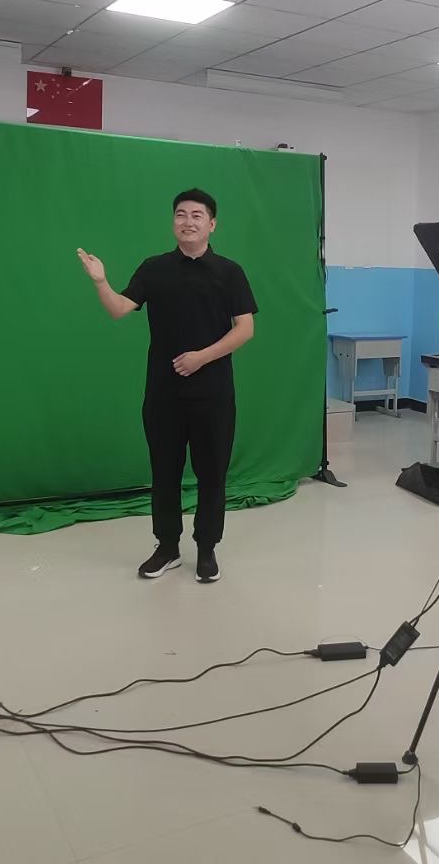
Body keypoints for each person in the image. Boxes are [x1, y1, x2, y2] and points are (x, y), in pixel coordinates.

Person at [77, 188, 255, 583]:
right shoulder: (154, 268)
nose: (188, 221)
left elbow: (245, 329)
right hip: (163, 393)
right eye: (180, 214)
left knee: (212, 473)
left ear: (212, 224)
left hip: (213, 393)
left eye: (197, 215)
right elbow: (119, 309)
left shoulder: (229, 272)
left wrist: (202, 357)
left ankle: (206, 549)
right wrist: (101, 281)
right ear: (173, 221)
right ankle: (167, 547)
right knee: (164, 472)